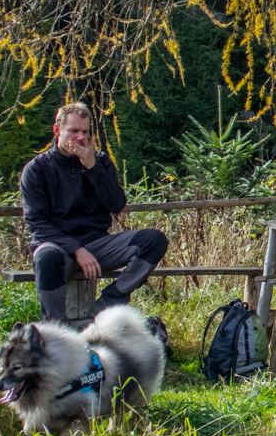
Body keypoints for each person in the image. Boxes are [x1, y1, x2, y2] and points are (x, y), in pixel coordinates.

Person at [21, 101, 169, 323]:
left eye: (85, 132)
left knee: (154, 240)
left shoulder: (100, 162)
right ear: (57, 130)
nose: (80, 137)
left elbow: (116, 205)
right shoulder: (37, 170)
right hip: (58, 247)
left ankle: (109, 302)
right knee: (45, 257)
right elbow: (37, 225)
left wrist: (92, 168)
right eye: (73, 131)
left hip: (98, 244)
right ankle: (56, 329)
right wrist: (76, 249)